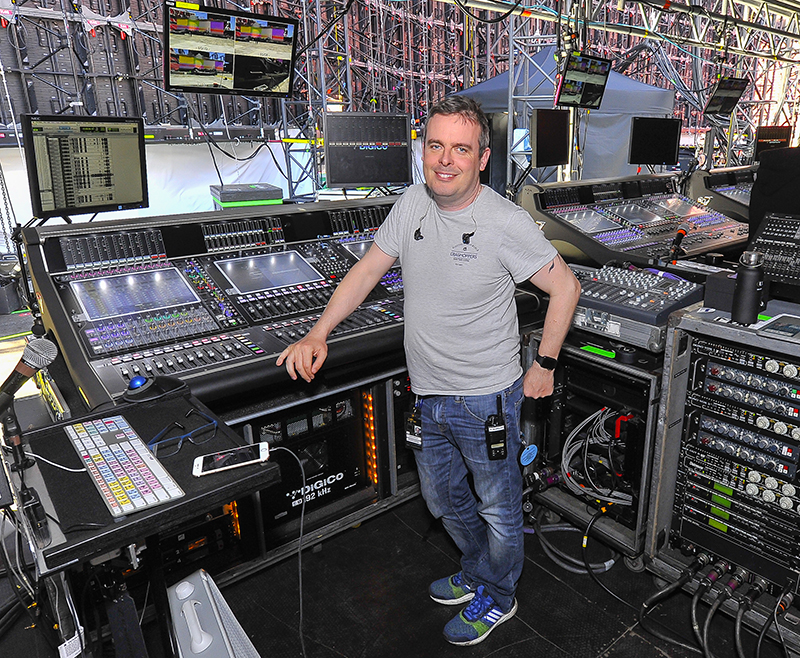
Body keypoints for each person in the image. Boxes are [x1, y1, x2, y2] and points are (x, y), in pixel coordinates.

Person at [277, 95, 581, 646]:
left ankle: (500, 594)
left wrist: (545, 364)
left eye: (460, 149)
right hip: (428, 393)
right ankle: (476, 569)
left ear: (482, 158)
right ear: (423, 150)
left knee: (499, 506)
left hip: (486, 398)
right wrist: (319, 331)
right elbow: (368, 269)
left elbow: (566, 287)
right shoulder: (412, 203)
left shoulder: (503, 221)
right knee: (440, 498)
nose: (445, 160)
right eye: (435, 145)